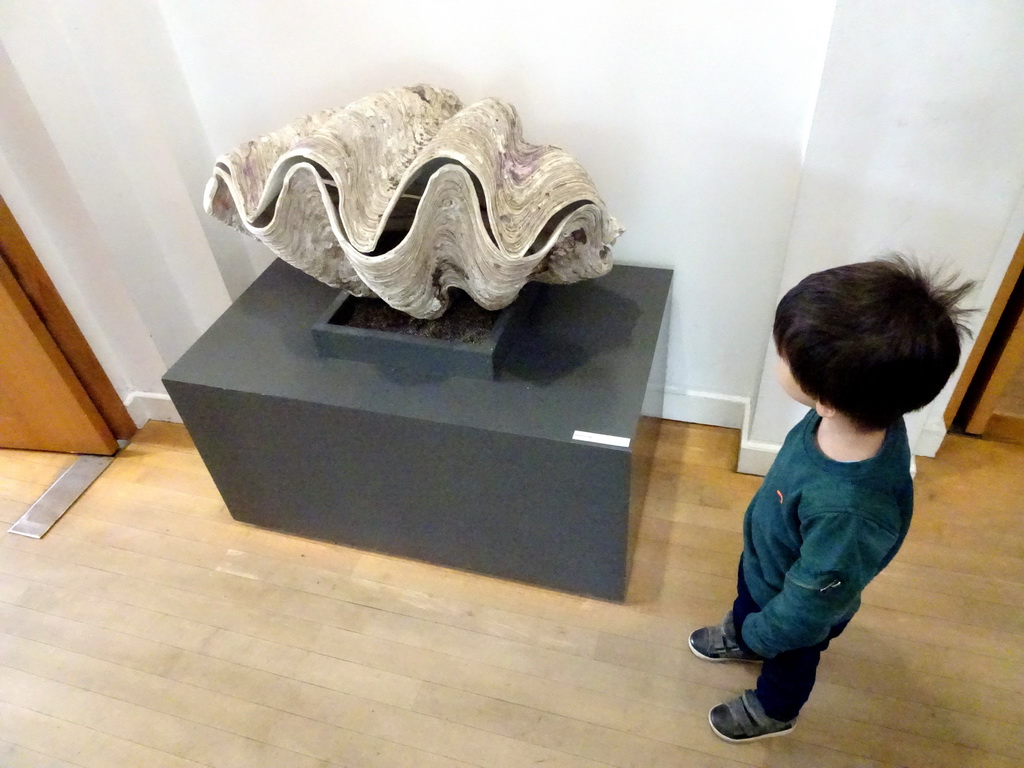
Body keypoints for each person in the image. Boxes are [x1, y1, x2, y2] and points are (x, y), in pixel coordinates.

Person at [689, 254, 974, 743]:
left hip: (797, 608)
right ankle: (743, 631)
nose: (775, 355)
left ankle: (775, 710)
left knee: (789, 659)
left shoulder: (851, 508)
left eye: (783, 354)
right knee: (748, 598)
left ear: (825, 398)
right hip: (767, 560)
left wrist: (768, 634)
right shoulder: (858, 413)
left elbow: (810, 606)